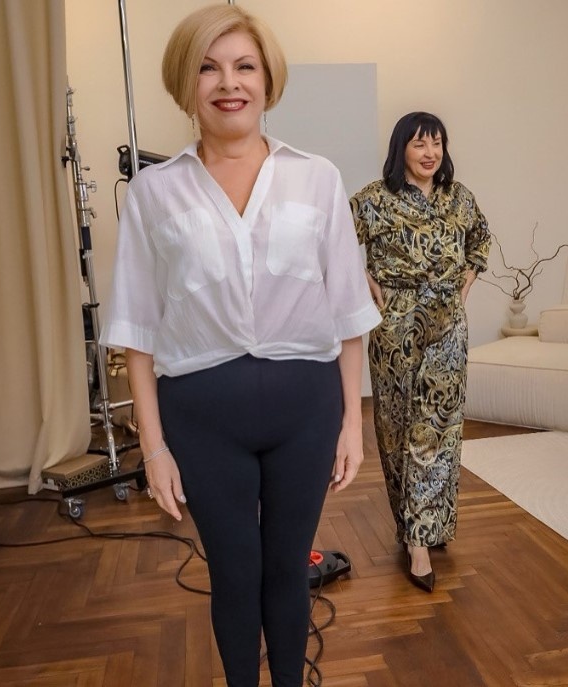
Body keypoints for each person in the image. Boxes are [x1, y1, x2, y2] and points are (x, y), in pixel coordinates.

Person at [100, 5, 381, 686]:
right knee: (233, 572)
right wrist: (153, 446)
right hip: (201, 418)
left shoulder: (316, 178)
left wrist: (352, 421)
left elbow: (348, 311)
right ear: (185, 83)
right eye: (209, 67)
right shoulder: (153, 193)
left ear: (267, 79)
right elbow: (137, 329)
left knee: (287, 569)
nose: (229, 83)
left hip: (305, 410)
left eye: (244, 66)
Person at [350, 112, 490, 593]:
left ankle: (421, 540)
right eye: (419, 144)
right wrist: (363, 279)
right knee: (395, 429)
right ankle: (414, 523)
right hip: (395, 325)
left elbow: (480, 241)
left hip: (448, 326)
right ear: (400, 149)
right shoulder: (374, 198)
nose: (430, 153)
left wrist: (465, 283)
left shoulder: (459, 197)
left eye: (437, 143)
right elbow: (332, 243)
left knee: (437, 427)